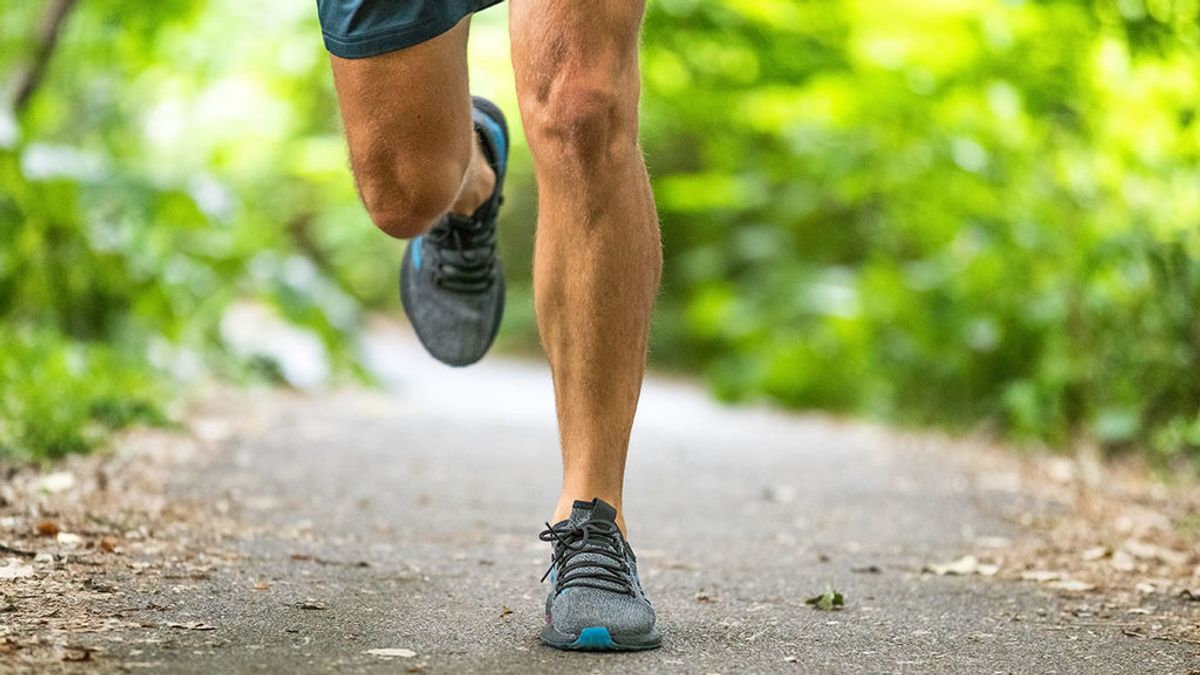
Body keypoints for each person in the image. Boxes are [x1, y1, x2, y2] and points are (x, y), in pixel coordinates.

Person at [316, 0, 663, 651]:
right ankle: (468, 176)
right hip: (421, 185)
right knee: (405, 188)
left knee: (582, 105)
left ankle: (593, 518)